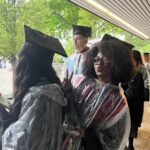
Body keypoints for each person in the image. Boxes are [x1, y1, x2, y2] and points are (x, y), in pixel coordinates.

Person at [62, 34, 135, 150]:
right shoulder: (83, 82)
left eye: (105, 59)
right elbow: (71, 106)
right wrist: (68, 90)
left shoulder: (117, 100)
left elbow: (114, 141)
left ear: (117, 63)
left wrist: (87, 135)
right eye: (96, 58)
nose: (99, 63)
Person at [1, 25, 68, 150]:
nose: (19, 62)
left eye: (20, 59)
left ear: (28, 63)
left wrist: (1, 112)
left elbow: (15, 143)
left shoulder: (38, 96)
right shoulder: (50, 89)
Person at [124, 50, 148, 150]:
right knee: (128, 122)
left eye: (131, 58)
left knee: (133, 122)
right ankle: (128, 142)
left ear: (136, 59)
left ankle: (131, 144)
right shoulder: (128, 69)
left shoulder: (141, 69)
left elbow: (146, 82)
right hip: (128, 100)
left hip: (136, 100)